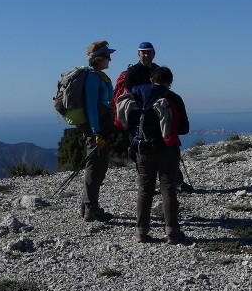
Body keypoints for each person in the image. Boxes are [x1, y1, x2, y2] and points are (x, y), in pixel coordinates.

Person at [117, 65, 190, 244]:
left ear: (151, 79)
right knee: (168, 189)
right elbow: (184, 128)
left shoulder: (137, 95)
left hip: (143, 149)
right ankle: (172, 233)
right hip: (168, 149)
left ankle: (141, 233)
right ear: (170, 83)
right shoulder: (173, 97)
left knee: (144, 189)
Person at [121, 41, 192, 193]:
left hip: (156, 117)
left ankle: (172, 181)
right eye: (143, 52)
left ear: (154, 54)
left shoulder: (155, 69)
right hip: (141, 119)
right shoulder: (133, 72)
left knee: (157, 147)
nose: (146, 55)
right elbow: (129, 96)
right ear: (138, 54)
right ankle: (155, 184)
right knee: (146, 150)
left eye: (148, 52)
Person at [80, 40, 117, 222]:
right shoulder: (93, 78)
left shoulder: (99, 76)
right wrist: (96, 133)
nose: (110, 59)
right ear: (98, 59)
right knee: (96, 169)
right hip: (97, 129)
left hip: (103, 126)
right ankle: (91, 208)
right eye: (107, 56)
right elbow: (91, 107)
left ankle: (87, 208)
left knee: (97, 168)